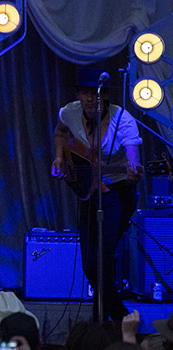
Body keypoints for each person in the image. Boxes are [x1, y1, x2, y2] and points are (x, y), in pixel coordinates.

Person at [51, 67, 141, 322]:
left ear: (106, 96)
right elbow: (60, 132)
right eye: (86, 93)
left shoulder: (121, 119)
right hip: (90, 193)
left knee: (101, 259)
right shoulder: (69, 112)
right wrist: (59, 157)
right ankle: (119, 316)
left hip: (117, 193)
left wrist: (134, 168)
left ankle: (118, 317)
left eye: (96, 94)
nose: (91, 99)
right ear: (79, 94)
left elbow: (132, 150)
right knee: (89, 264)